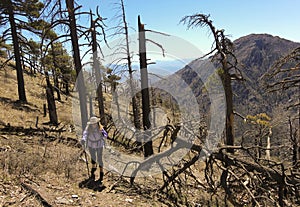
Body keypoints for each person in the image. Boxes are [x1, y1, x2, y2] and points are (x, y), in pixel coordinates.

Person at [80, 116, 108, 182]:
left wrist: (104, 135)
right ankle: (93, 171)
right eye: (92, 124)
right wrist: (83, 139)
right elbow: (85, 134)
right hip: (91, 144)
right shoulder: (88, 128)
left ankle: (101, 173)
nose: (93, 125)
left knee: (99, 158)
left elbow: (105, 134)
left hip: (99, 144)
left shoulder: (100, 128)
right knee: (93, 158)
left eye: (95, 123)